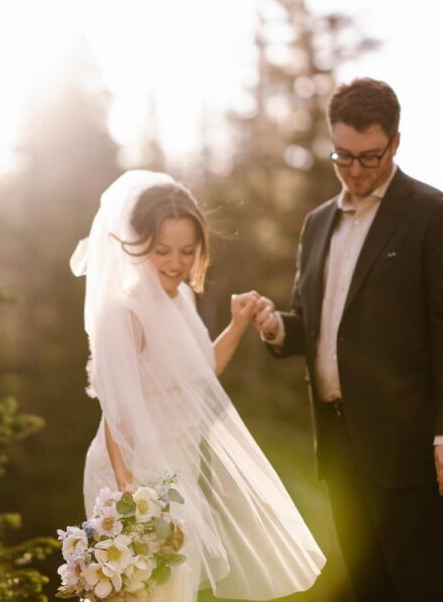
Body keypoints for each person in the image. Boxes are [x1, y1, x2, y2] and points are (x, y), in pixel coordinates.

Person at [252, 78, 443, 601]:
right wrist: (279, 327)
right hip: (341, 445)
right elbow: (317, 324)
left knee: (427, 589)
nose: (357, 170)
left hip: (417, 446)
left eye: (370, 156)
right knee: (369, 591)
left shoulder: (435, 215)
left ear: (396, 142)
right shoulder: (317, 224)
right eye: (344, 157)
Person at [71, 170, 325, 601]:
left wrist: (239, 323)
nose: (175, 263)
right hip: (134, 477)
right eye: (162, 250)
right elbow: (117, 411)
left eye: (187, 251)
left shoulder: (180, 298)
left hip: (178, 469)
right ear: (138, 244)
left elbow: (201, 373)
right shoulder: (124, 312)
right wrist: (129, 497)